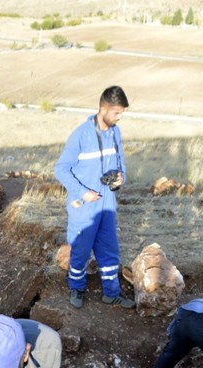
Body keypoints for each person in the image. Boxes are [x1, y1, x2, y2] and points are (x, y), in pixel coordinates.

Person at [55, 85, 135, 310]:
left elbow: (120, 163)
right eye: (116, 113)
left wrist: (121, 179)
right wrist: (82, 192)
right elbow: (61, 169)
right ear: (102, 108)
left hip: (107, 203)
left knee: (109, 249)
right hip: (84, 205)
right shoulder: (80, 134)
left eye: (122, 113)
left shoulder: (115, 132)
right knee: (80, 250)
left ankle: (112, 293)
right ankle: (76, 289)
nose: (119, 118)